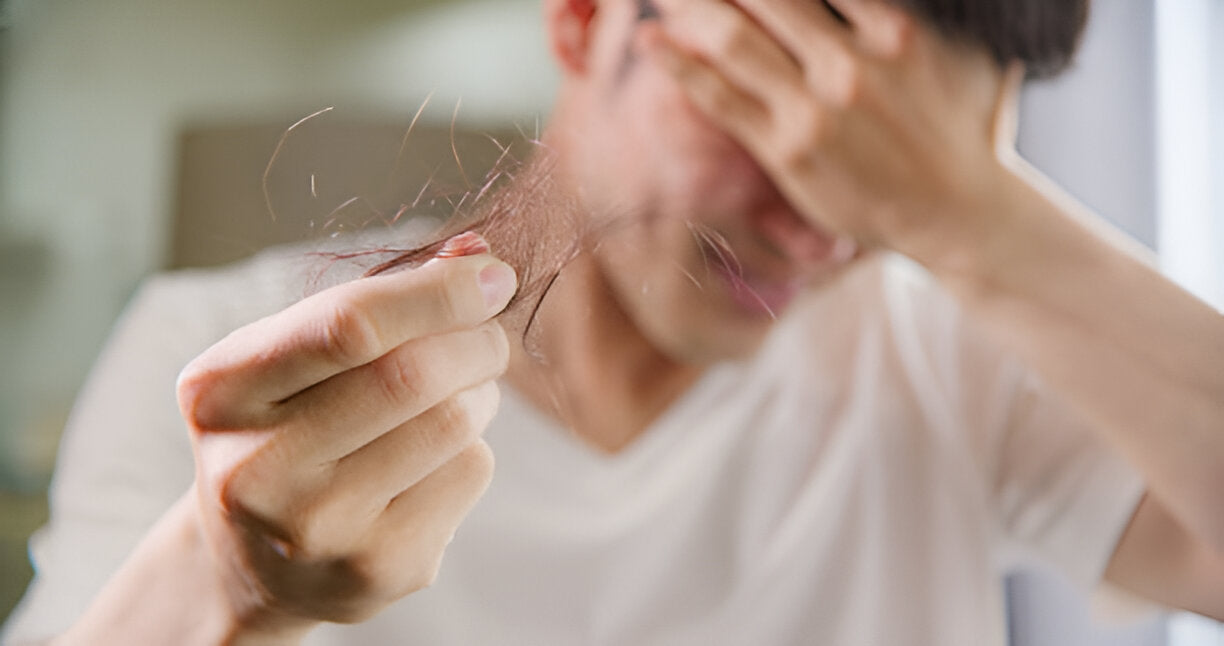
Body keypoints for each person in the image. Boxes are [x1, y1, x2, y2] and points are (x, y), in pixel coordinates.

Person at [5, 0, 1224, 644]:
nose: (820, 230)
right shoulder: (209, 350)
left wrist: (983, 225)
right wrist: (226, 588)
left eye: (891, 174)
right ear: (586, 18)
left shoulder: (960, 360)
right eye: (773, 113)